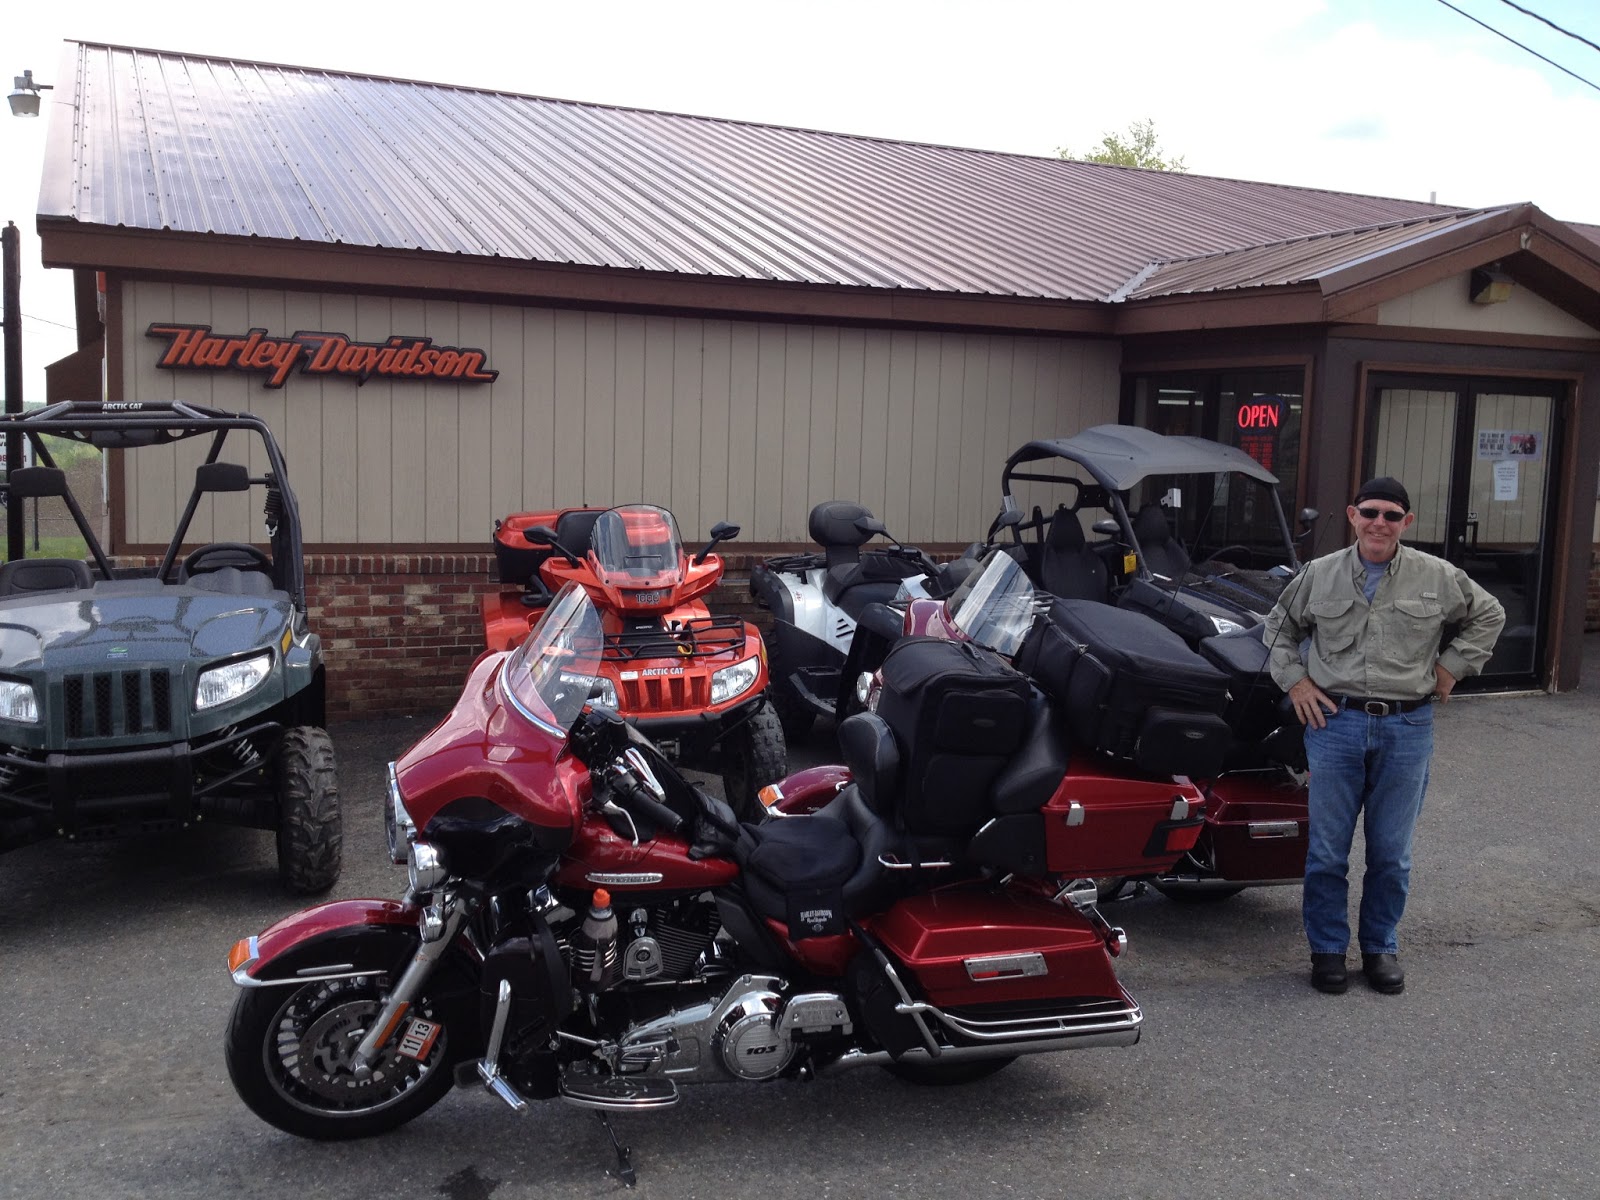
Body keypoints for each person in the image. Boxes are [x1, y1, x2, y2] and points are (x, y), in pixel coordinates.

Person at [1264, 477, 1505, 996]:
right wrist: (1298, 682)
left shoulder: (1437, 575)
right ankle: (1328, 950)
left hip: (1407, 727)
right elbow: (1279, 629)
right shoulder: (1319, 574)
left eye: (1392, 516)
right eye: (1370, 512)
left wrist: (1453, 667)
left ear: (1406, 523)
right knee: (1327, 851)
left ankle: (1379, 947)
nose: (1380, 523)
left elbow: (1489, 614)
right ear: (1353, 515)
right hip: (1335, 725)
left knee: (1391, 853)